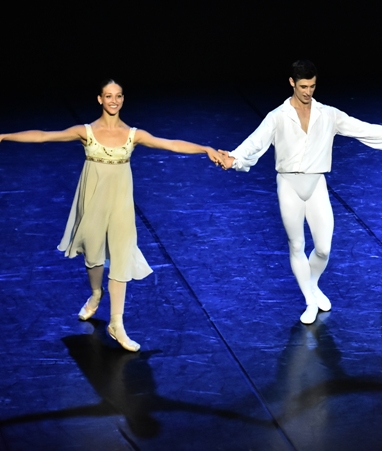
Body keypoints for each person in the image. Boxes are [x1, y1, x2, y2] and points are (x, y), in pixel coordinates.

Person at [0, 80, 223, 351]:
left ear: (123, 99)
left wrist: (205, 149)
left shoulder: (133, 134)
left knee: (121, 255)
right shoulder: (86, 131)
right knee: (93, 254)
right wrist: (4, 136)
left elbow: (170, 144)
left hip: (121, 204)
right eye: (108, 96)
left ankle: (116, 323)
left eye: (118, 96)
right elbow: (44, 135)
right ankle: (96, 294)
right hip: (93, 202)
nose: (113, 100)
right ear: (100, 99)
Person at [218, 60, 382, 325]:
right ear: (292, 83)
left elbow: (363, 129)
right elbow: (255, 143)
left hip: (316, 184)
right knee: (297, 245)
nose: (308, 91)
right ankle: (309, 300)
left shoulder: (328, 115)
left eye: (312, 86)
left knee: (323, 249)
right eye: (303, 86)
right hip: (288, 185)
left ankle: (312, 285)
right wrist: (234, 158)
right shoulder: (277, 116)